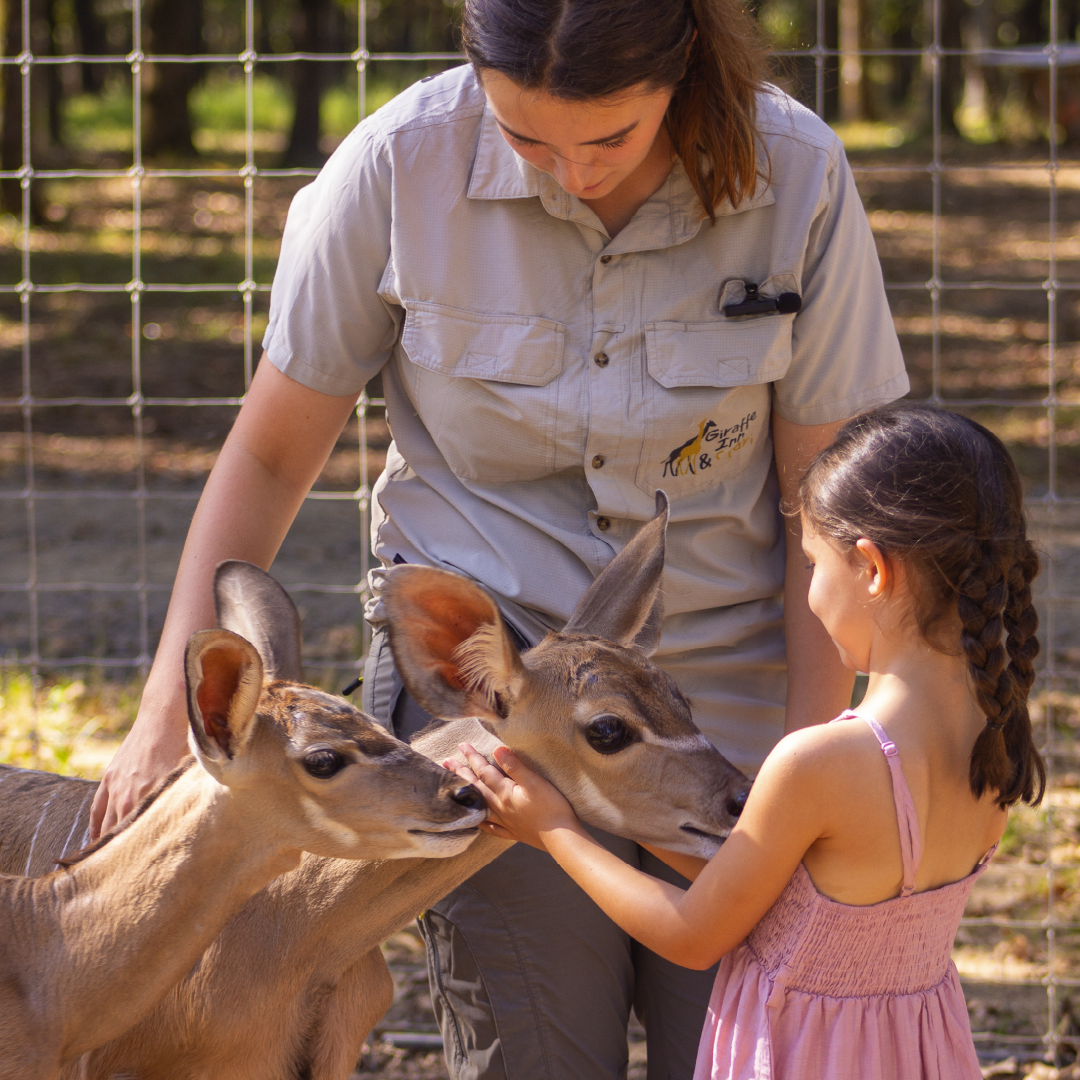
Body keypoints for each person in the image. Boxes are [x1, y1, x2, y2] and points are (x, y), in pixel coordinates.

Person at [89, 0, 909, 1076]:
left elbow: (823, 505)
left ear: (686, 70)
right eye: (527, 138)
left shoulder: (797, 172)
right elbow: (272, 459)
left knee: (736, 1050)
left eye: (610, 138)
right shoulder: (393, 167)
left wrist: (816, 766)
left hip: (724, 709)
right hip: (488, 730)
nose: (571, 171)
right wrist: (162, 717)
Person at [450, 404, 1045, 1080]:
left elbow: (695, 934)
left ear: (873, 571)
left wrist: (555, 829)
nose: (812, 592)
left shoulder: (820, 763)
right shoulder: (994, 739)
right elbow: (792, 905)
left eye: (814, 563)